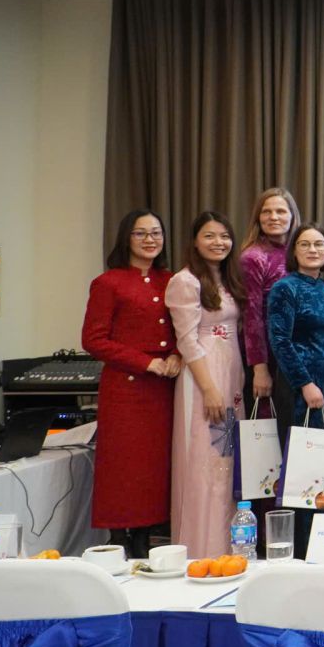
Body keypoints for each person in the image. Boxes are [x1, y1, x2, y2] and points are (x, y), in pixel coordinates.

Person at [82, 209, 181, 558]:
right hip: (125, 390)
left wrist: (176, 355)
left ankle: (144, 540)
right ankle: (119, 539)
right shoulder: (108, 282)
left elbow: (184, 328)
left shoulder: (171, 280)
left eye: (156, 233)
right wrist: (145, 362)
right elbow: (94, 340)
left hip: (163, 389)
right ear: (126, 238)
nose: (150, 239)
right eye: (141, 233)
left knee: (154, 467)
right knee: (124, 466)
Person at [268, 223, 324, 553]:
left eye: (319, 244)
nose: (313, 250)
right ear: (294, 251)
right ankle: (307, 548)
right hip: (302, 386)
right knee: (310, 467)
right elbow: (280, 340)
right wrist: (305, 383)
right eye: (305, 244)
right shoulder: (285, 288)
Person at [166, 211, 245, 558]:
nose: (218, 242)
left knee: (228, 465)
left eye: (224, 236)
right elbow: (186, 340)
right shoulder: (185, 281)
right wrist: (209, 388)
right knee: (204, 461)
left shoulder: (228, 279)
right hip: (204, 376)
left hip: (231, 374)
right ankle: (201, 551)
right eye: (209, 236)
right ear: (195, 242)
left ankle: (229, 549)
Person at [239, 188, 300, 419]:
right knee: (271, 427)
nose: (273, 217)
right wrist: (260, 368)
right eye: (267, 212)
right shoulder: (253, 257)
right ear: (258, 218)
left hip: (299, 353)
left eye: (281, 211)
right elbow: (251, 317)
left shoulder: (301, 251)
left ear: (292, 216)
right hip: (269, 356)